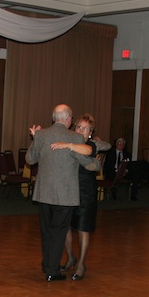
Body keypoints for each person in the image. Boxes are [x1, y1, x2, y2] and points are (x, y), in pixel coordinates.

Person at [25, 104, 100, 282]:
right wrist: (97, 165)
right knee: (59, 231)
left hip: (44, 193)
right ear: (68, 120)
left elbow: (29, 159)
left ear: (53, 118)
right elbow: (86, 162)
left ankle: (47, 264)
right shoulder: (74, 137)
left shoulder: (41, 135)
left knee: (46, 231)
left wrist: (35, 139)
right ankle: (52, 271)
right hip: (65, 195)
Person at [53, 113, 110, 281]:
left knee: (83, 228)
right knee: (66, 227)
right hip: (68, 189)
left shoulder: (91, 144)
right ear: (74, 127)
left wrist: (68, 145)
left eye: (86, 128)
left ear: (90, 132)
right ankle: (70, 257)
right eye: (79, 127)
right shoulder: (68, 140)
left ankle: (81, 264)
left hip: (86, 191)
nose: (81, 130)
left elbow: (93, 149)